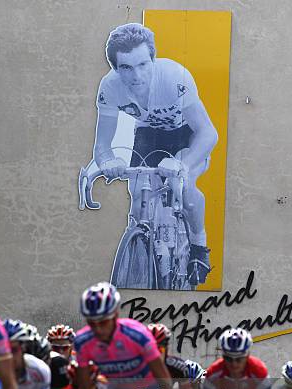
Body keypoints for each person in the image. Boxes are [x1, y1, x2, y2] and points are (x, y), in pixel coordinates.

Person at [92, 23, 218, 286]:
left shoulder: (174, 77)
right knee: (138, 196)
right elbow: (102, 144)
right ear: (115, 68)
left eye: (143, 64)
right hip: (148, 135)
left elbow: (208, 133)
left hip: (186, 134)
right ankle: (143, 252)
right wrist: (107, 162)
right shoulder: (109, 87)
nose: (136, 75)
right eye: (126, 67)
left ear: (153, 59)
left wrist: (182, 164)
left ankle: (198, 246)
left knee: (182, 185)